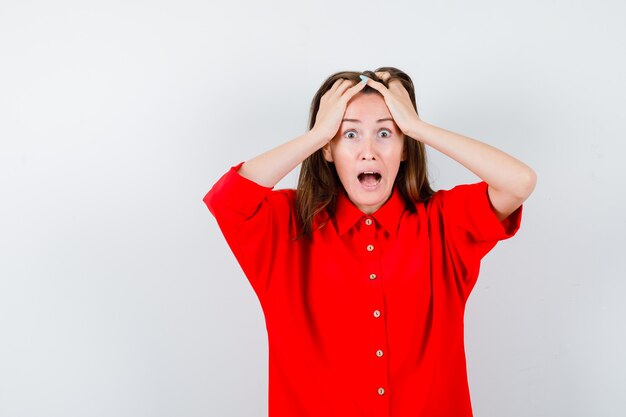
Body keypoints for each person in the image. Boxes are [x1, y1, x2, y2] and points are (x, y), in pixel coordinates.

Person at [203, 67, 536, 417]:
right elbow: (226, 201)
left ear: (405, 147)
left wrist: (417, 127)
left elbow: (519, 182)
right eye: (349, 133)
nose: (368, 151)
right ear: (327, 149)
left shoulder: (442, 224)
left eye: (385, 132)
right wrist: (317, 135)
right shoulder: (287, 226)